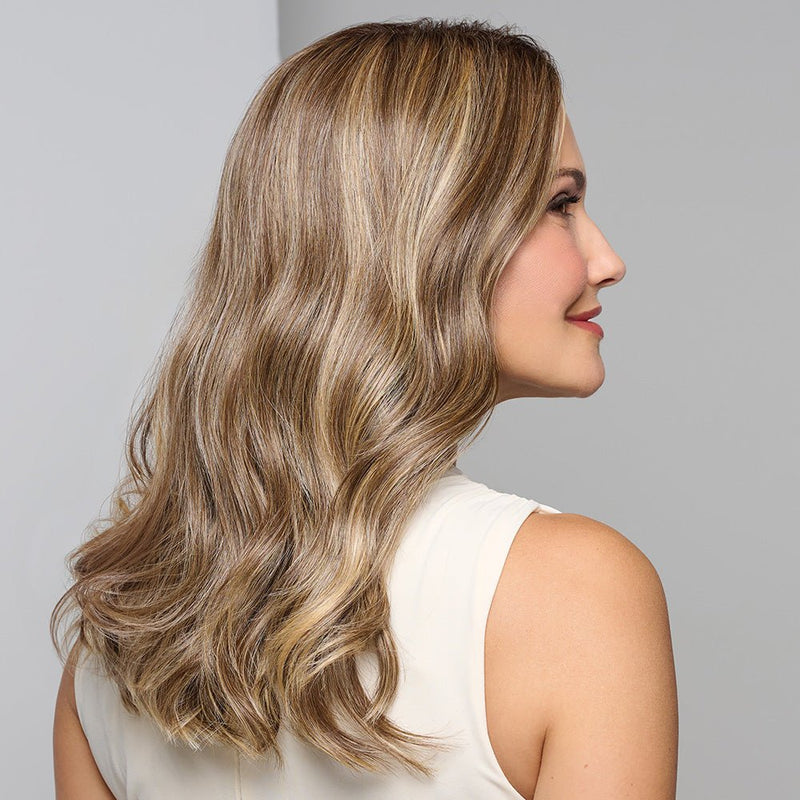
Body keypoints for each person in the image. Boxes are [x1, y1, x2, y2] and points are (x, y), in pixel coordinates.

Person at [52, 17, 678, 800]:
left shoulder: (116, 636)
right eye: (560, 204)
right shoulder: (579, 592)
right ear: (429, 232)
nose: (607, 261)